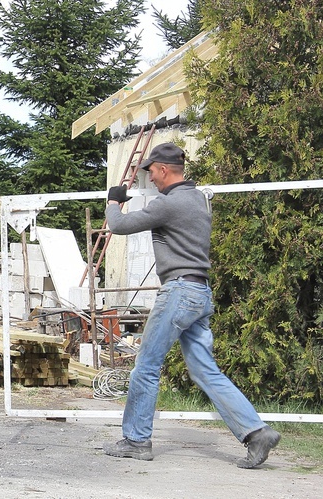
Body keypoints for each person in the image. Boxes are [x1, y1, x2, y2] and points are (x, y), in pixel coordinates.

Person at [102, 142, 280, 469]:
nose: (151, 179)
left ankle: (136, 440)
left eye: (152, 172)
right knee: (204, 370)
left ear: (165, 170)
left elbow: (119, 225)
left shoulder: (169, 204)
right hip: (200, 293)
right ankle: (257, 432)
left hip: (179, 291)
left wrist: (114, 202)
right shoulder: (198, 200)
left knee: (146, 365)